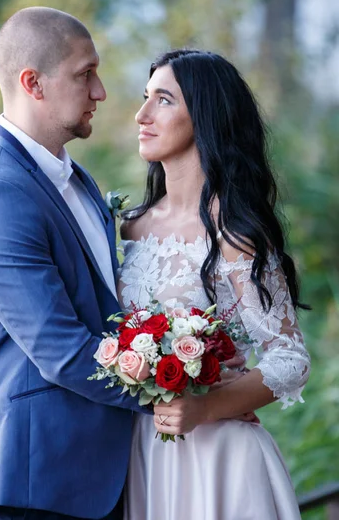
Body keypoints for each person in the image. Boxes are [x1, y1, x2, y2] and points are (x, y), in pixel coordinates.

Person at [0, 6, 156, 520]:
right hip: (31, 486)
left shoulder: (77, 179)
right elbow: (59, 348)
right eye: (85, 75)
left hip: (98, 479)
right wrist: (175, 391)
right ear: (32, 82)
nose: (101, 92)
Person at [118, 49, 311, 520]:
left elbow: (290, 359)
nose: (141, 115)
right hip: (138, 454)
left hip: (219, 458)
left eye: (163, 100)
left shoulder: (235, 234)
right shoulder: (126, 228)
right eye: (145, 98)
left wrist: (211, 407)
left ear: (204, 115)